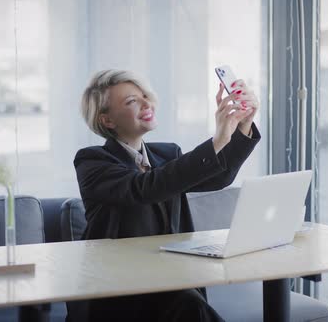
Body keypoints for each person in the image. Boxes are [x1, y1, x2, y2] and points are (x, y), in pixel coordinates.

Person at [68, 69, 260, 322]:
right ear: (108, 121)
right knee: (189, 304)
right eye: (131, 101)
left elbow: (217, 176)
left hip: (169, 281)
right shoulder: (92, 161)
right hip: (119, 290)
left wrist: (242, 126)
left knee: (187, 301)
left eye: (145, 96)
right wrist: (216, 140)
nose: (147, 103)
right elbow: (145, 188)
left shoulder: (167, 154)